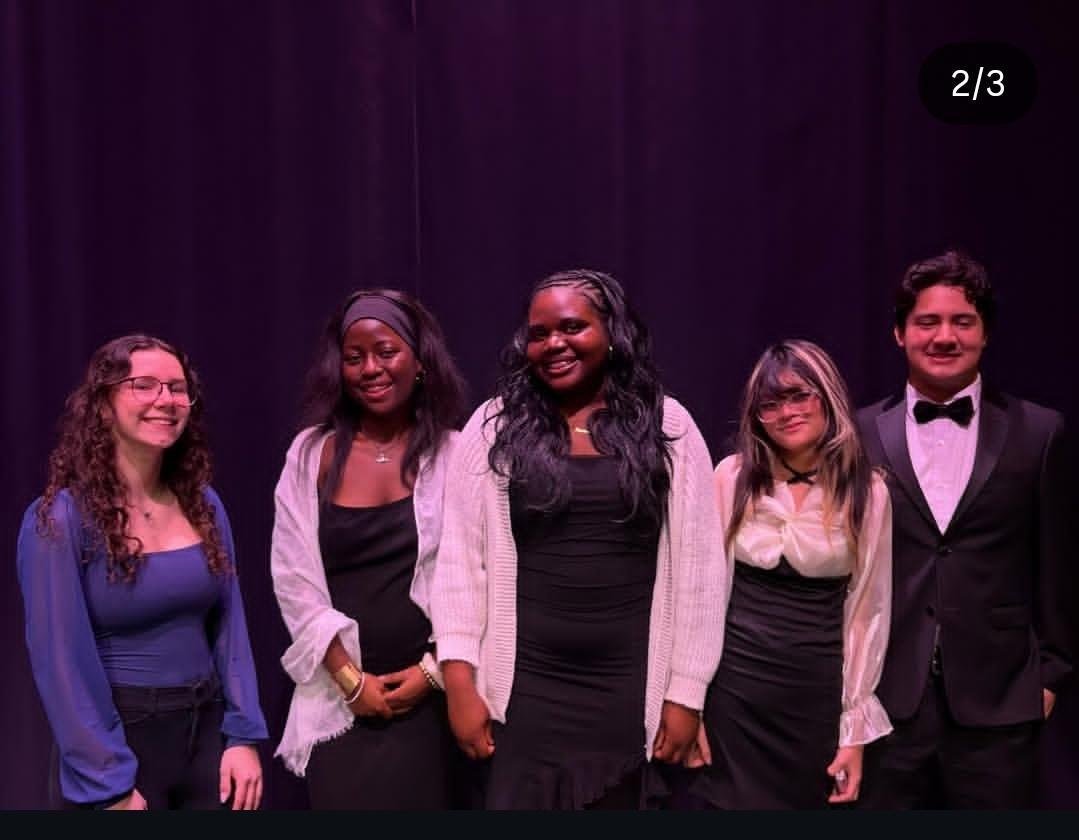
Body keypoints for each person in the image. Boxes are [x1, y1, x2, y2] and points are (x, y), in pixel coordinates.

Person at [428, 268, 728, 810]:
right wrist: (460, 682)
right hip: (524, 695)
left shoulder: (670, 427)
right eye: (539, 334)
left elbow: (701, 573)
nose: (553, 344)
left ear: (612, 332)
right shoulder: (494, 426)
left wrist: (687, 693)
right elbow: (458, 567)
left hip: (626, 693)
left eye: (572, 327)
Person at [857, 249, 1075, 808]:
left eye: (962, 321)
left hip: (1001, 703)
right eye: (927, 322)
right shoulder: (859, 434)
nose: (944, 337)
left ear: (986, 333)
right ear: (899, 334)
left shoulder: (1039, 431)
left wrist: (1050, 676)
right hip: (887, 702)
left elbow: (1058, 564)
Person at [16, 334, 267, 810]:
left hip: (206, 741)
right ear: (103, 404)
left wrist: (242, 736)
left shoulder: (204, 505)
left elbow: (230, 628)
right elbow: (60, 662)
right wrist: (107, 783)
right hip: (119, 745)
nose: (165, 400)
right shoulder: (60, 519)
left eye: (177, 388)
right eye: (144, 385)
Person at [270, 288, 468, 809]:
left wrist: (431, 673)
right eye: (354, 357)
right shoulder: (311, 454)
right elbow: (293, 579)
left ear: (420, 362)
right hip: (342, 703)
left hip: (437, 704)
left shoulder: (456, 454)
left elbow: (477, 576)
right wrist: (351, 682)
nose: (371, 369)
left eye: (386, 352)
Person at [689, 339, 893, 809]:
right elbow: (699, 598)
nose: (787, 412)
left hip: (813, 703)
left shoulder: (867, 492)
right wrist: (691, 702)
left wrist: (853, 731)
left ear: (827, 397)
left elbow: (868, 611)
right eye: (771, 403)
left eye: (800, 395)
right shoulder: (731, 478)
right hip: (734, 699)